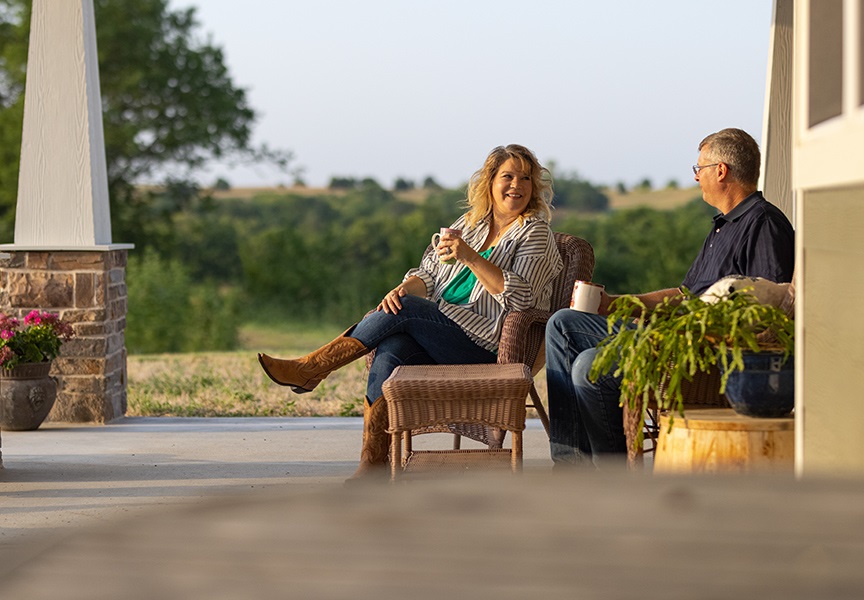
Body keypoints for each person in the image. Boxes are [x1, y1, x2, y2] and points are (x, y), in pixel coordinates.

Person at [258, 144, 564, 480]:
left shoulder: (533, 231)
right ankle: (372, 467)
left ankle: (312, 367)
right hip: (444, 333)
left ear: (534, 187)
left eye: (525, 178)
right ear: (490, 182)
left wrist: (470, 257)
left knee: (403, 311)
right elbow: (429, 275)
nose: (516, 185)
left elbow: (521, 298)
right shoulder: (471, 224)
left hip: (483, 344)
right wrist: (404, 289)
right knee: (391, 348)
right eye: (507, 176)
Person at [545, 128, 795, 468]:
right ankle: (571, 463)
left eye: (699, 169)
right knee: (563, 323)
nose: (696, 178)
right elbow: (684, 295)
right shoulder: (723, 226)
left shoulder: (764, 224)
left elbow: (768, 310)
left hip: (698, 350)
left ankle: (611, 476)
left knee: (588, 365)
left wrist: (700, 330)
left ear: (721, 171)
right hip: (671, 334)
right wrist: (617, 303)